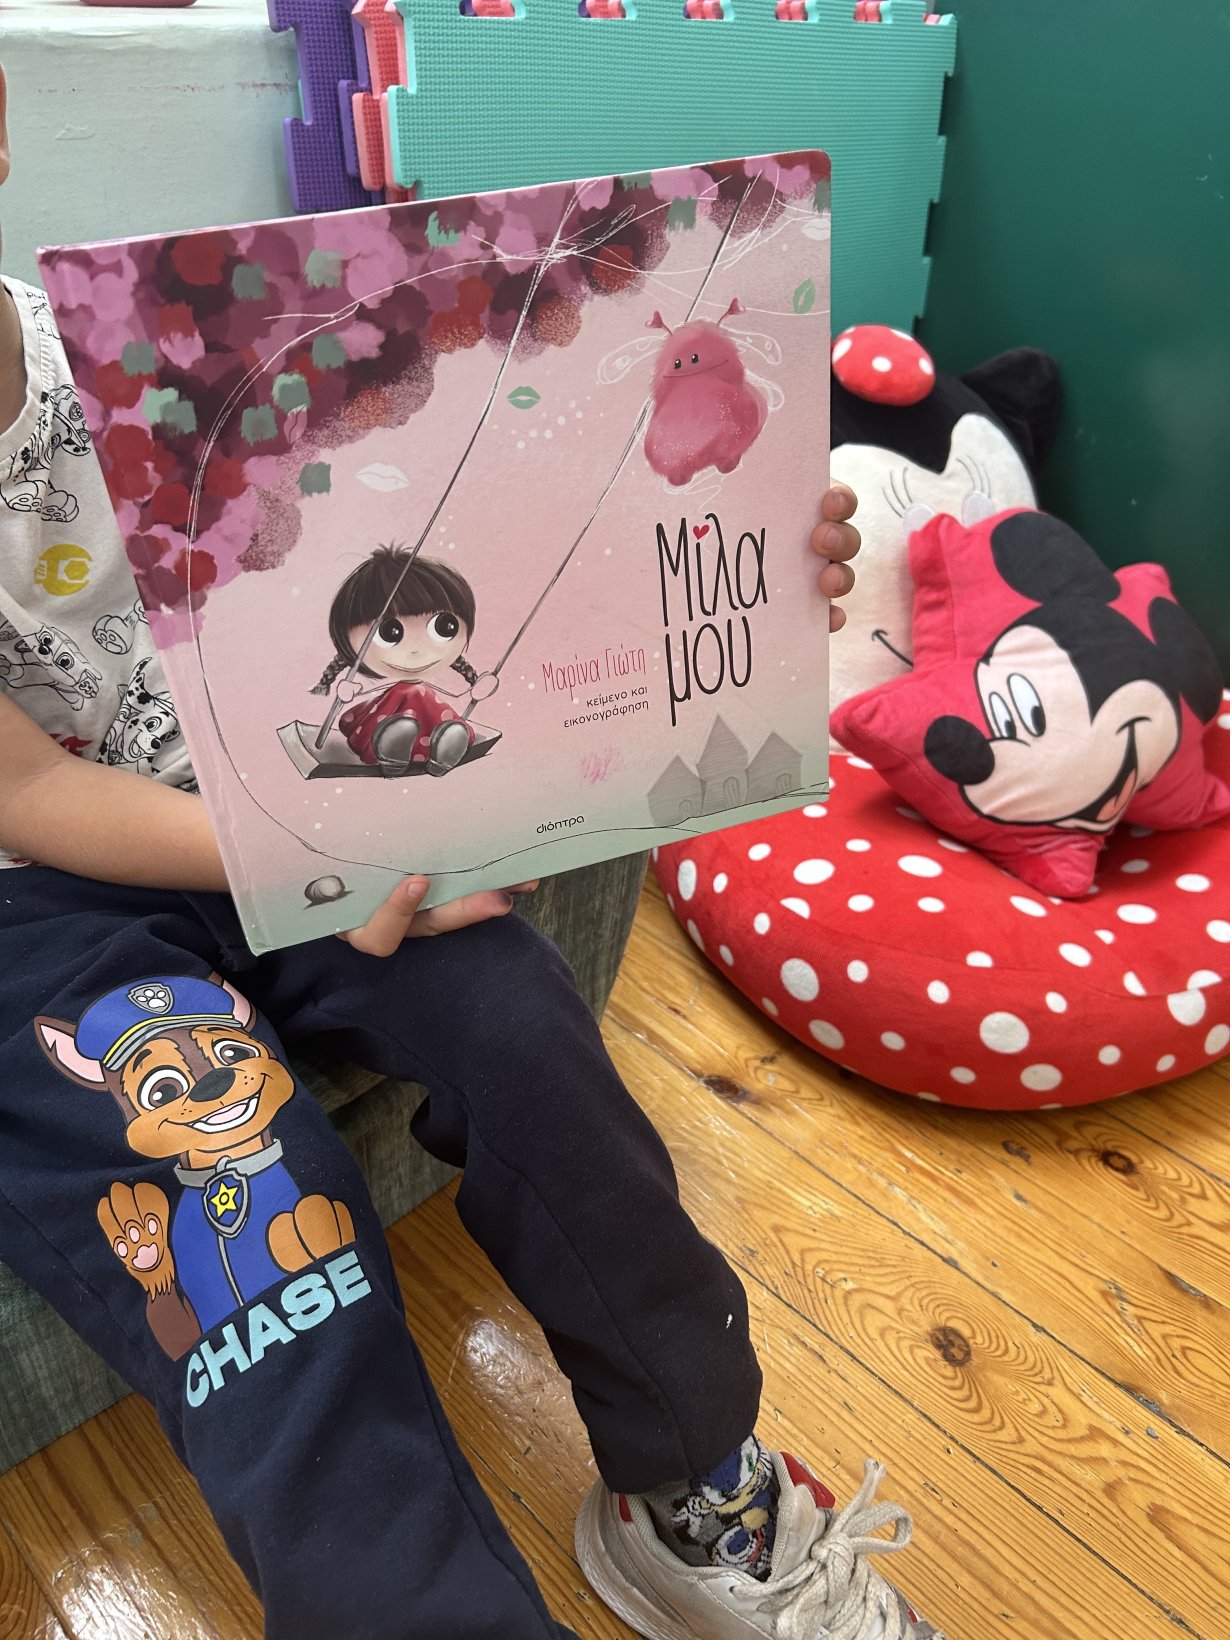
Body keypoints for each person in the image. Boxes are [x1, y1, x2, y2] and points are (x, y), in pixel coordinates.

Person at [0, 64, 943, 1640]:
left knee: (521, 1031)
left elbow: (448, 554)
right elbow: (27, 793)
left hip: (282, 784)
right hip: (50, 908)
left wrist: (732, 556)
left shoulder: (148, 354)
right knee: (252, 1221)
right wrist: (322, 846)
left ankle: (693, 1482)